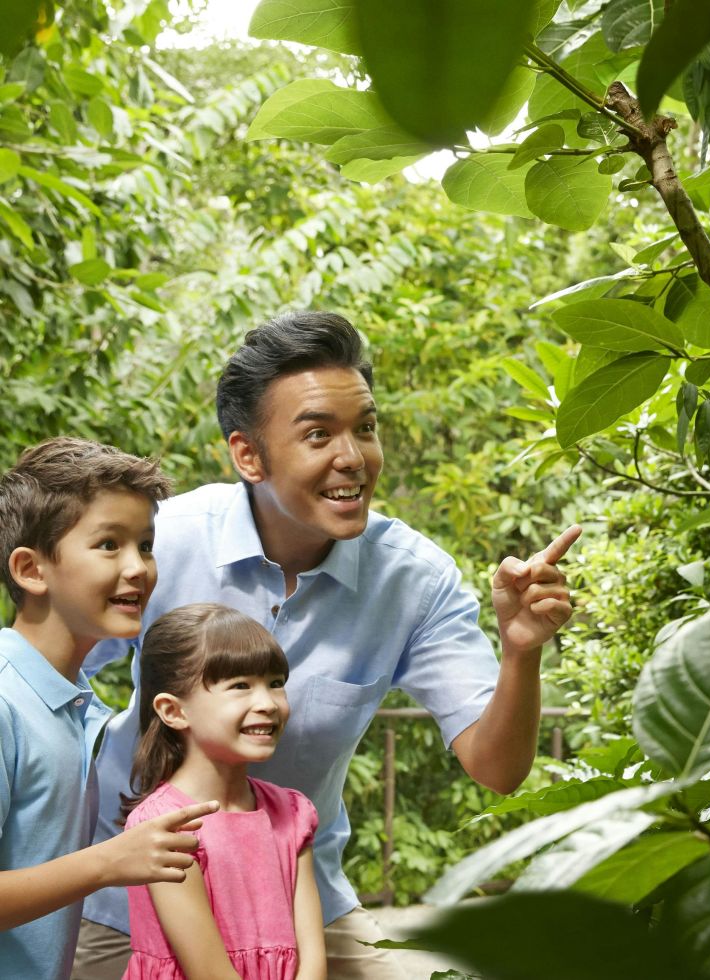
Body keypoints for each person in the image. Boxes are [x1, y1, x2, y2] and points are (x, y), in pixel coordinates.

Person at [75, 310, 581, 980]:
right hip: (131, 893)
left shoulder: (414, 579)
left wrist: (521, 651)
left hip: (298, 901)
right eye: (319, 435)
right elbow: (49, 673)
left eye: (365, 429)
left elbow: (498, 768)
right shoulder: (166, 542)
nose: (354, 458)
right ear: (247, 454)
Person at [0, 438, 219, 979]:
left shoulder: (75, 708)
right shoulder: (5, 700)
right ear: (31, 569)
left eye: (145, 546)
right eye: (108, 545)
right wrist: (109, 861)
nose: (138, 568)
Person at [123, 602, 326, 979]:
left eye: (276, 683)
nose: (267, 703)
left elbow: (313, 960)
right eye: (240, 686)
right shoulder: (164, 827)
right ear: (173, 711)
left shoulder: (294, 813)